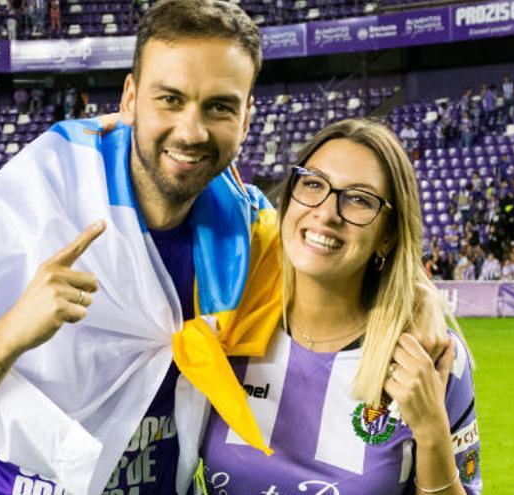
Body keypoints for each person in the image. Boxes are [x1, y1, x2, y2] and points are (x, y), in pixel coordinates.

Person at [0, 3, 279, 494]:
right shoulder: (38, 200)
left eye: (219, 106)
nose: (192, 131)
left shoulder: (253, 234)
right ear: (131, 98)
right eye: (170, 99)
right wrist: (11, 335)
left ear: (246, 119)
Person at [198, 119, 480, 494]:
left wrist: (431, 432)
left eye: (360, 199)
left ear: (388, 235)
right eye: (313, 183)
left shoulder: (430, 357)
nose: (327, 212)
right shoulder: (228, 322)